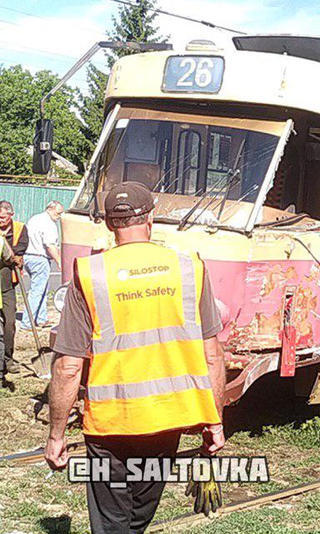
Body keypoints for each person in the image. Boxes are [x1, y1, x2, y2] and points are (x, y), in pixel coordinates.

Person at [44, 182, 226, 533]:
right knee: (139, 514)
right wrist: (214, 421)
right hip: (167, 418)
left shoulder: (90, 273)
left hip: (110, 423)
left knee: (112, 520)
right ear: (151, 219)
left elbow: (68, 366)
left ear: (110, 225)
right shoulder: (189, 267)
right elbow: (213, 356)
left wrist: (56, 434)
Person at [20, 201, 64, 330]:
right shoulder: (49, 224)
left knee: (42, 289)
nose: (59, 216)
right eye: (58, 213)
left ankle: (41, 318)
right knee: (37, 291)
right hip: (40, 258)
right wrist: (59, 261)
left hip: (28, 256)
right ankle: (27, 323)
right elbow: (50, 245)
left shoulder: (35, 219)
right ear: (50, 209)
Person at [0, 200, 28, 376]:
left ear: (11, 215)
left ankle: (8, 359)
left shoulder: (19, 228)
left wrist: (8, 251)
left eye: (2, 217)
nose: (0, 220)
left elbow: (21, 247)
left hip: (8, 282)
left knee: (9, 323)